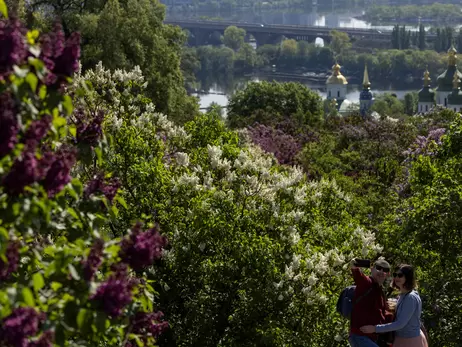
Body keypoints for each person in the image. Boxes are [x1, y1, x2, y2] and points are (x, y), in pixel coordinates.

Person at [360, 264, 428, 347]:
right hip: (401, 339)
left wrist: (375, 328)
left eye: (400, 275)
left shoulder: (411, 297)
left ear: (408, 277)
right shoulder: (403, 295)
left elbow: (400, 324)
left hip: (410, 340)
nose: (396, 278)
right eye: (395, 275)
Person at [349, 258, 392, 347]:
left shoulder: (380, 291)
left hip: (372, 338)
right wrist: (354, 265)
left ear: (388, 274)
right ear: (372, 269)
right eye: (379, 268)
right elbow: (358, 275)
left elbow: (382, 315)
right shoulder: (367, 283)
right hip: (360, 337)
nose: (381, 272)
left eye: (385, 270)